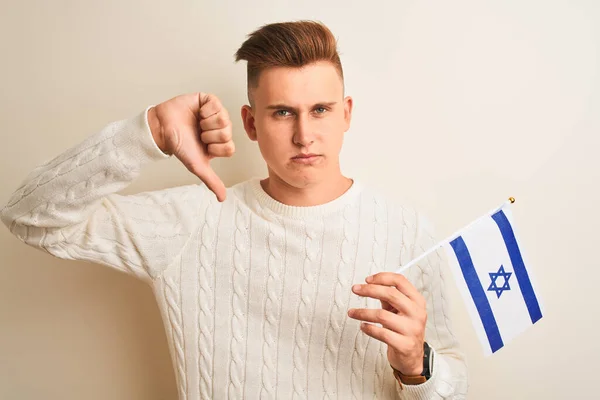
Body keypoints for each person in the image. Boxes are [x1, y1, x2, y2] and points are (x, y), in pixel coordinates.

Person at [1, 20, 468, 399]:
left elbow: (456, 384)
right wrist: (147, 133)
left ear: (346, 113)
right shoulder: (192, 220)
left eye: (321, 110)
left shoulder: (408, 230)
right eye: (282, 112)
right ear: (250, 121)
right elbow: (28, 217)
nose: (304, 135)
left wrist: (415, 368)